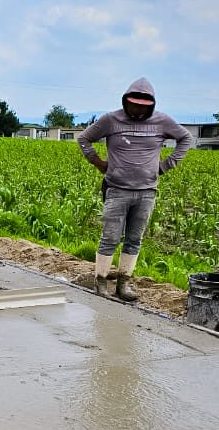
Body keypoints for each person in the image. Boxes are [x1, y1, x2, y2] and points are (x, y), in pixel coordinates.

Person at [77, 78, 192, 301]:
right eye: (133, 104)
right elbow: (84, 139)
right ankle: (100, 281)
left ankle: (124, 282)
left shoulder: (162, 121)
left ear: (151, 105)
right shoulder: (111, 120)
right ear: (126, 102)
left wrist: (167, 165)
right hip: (117, 189)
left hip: (147, 191)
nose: (137, 109)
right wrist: (98, 162)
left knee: (134, 238)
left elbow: (185, 138)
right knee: (110, 237)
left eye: (143, 106)